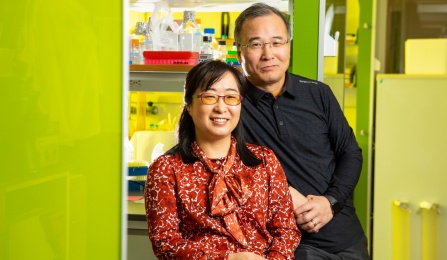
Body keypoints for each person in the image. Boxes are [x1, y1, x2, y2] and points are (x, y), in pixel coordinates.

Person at [234, 3, 370, 259]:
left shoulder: (318, 93)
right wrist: (281, 191)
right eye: (255, 44)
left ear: (288, 45)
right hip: (288, 246)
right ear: (239, 50)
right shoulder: (231, 103)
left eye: (277, 42)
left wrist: (330, 202)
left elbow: (350, 154)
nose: (268, 54)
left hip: (347, 238)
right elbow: (221, 168)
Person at [144, 60, 301, 260]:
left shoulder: (264, 160)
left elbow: (287, 229)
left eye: (230, 97)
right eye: (209, 97)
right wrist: (227, 259)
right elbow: (165, 242)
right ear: (189, 105)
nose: (221, 107)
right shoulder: (166, 169)